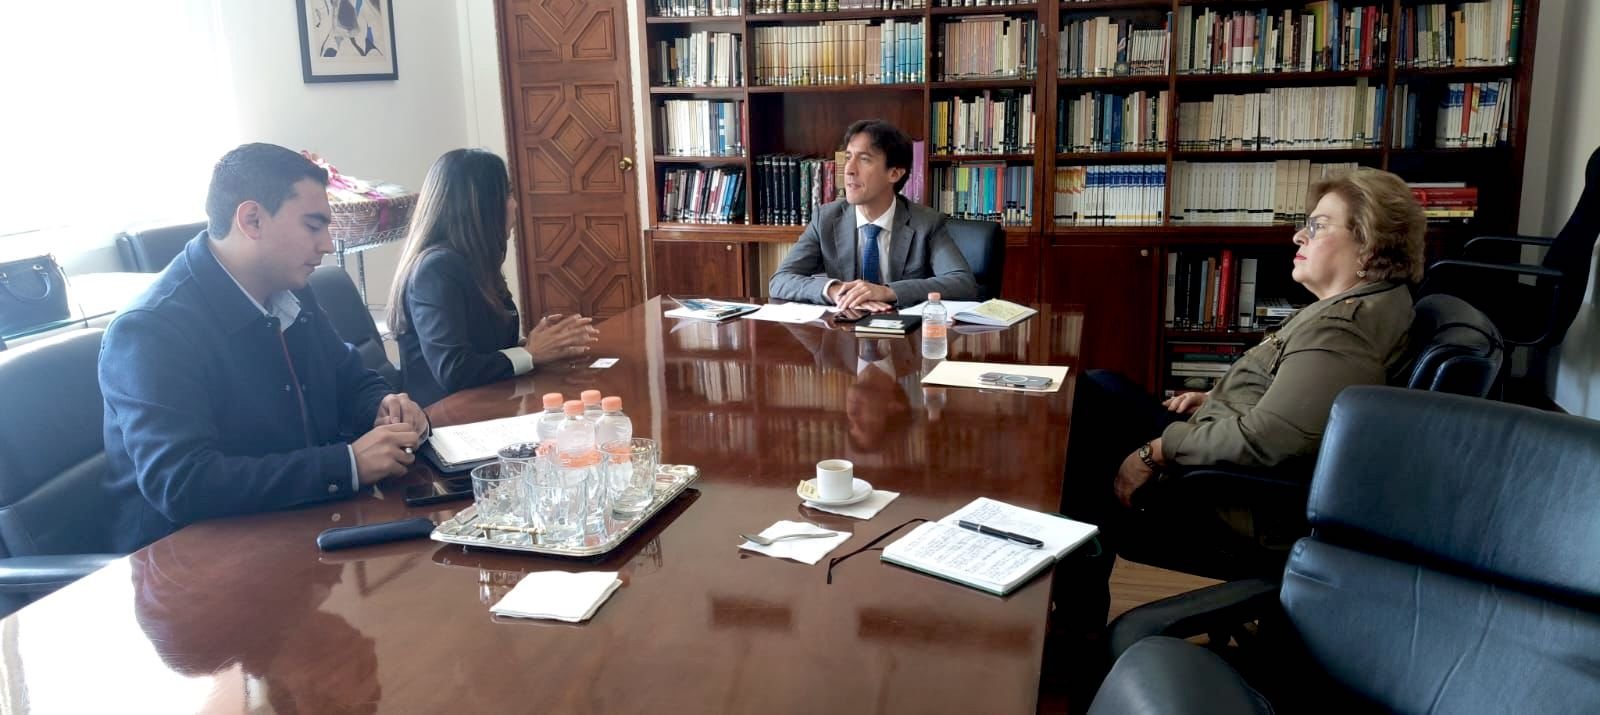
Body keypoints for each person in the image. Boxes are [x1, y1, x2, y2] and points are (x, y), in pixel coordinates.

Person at [1058, 166, 1425, 624]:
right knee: (1097, 385)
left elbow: (1271, 439)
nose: (1299, 236)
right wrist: (1215, 398)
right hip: (1228, 458)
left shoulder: (1342, 331)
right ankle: (1074, 606)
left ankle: (1075, 623)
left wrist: (1157, 451)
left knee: (1076, 440)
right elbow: (1294, 398)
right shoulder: (1360, 306)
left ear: (1368, 245)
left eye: (1318, 226)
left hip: (1234, 501)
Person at [100, 143, 429, 553]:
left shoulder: (289, 291)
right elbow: (182, 483)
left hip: (296, 527)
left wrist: (385, 407)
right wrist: (347, 465)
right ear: (252, 220)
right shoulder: (151, 329)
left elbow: (350, 379)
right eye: (313, 226)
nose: (328, 245)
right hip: (192, 561)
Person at [385, 149, 597, 407]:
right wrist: (530, 354)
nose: (515, 205)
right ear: (480, 206)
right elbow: (453, 370)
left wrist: (540, 345)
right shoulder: (435, 269)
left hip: (488, 402)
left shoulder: (474, 263)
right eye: (508, 194)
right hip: (448, 416)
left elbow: (485, 348)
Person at [768, 120, 978, 310]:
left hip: (904, 334)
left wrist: (887, 291)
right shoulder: (826, 219)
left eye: (864, 159)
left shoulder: (926, 223)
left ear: (894, 173)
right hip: (845, 332)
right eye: (848, 158)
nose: (849, 170)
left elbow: (962, 283)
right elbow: (780, 280)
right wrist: (834, 290)